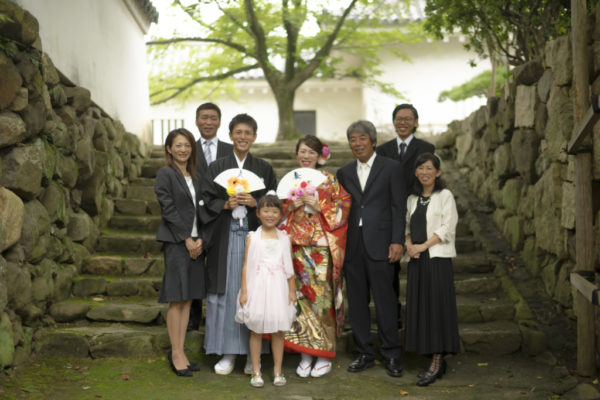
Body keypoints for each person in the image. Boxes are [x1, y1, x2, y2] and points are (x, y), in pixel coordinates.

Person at [199, 113, 277, 375]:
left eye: (248, 133)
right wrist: (224, 204)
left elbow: (275, 204)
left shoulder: (264, 168)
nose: (243, 137)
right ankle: (228, 351)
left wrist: (259, 204)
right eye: (238, 132)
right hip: (226, 235)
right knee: (227, 292)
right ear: (230, 135)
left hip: (255, 237)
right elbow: (205, 199)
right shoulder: (217, 167)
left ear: (255, 137)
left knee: (255, 293)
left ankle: (252, 355)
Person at [336, 120, 405, 378]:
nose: (357, 143)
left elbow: (399, 207)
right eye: (352, 139)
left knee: (386, 302)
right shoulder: (344, 172)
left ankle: (391, 354)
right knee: (357, 303)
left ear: (373, 141)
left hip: (382, 245)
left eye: (362, 138)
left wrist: (397, 240)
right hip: (353, 247)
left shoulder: (391, 168)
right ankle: (364, 353)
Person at [279, 135, 351, 378]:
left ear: (321, 156)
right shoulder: (291, 181)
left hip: (321, 248)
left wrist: (321, 207)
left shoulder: (329, 181)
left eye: (311, 152)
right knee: (299, 300)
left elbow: (344, 207)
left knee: (322, 300)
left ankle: (323, 353)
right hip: (296, 248)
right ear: (297, 153)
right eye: (302, 151)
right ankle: (304, 352)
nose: (306, 156)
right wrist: (291, 206)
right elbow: (275, 214)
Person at [376, 103, 434, 328]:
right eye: (399, 118)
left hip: (418, 211)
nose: (403, 122)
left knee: (419, 263)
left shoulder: (426, 147)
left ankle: (420, 313)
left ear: (416, 122)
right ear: (393, 122)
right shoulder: (382, 150)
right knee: (391, 266)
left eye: (408, 118)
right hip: (389, 214)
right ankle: (393, 314)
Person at [404, 152, 459, 387]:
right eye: (421, 168)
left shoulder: (445, 195)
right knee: (422, 308)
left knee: (437, 309)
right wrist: (409, 246)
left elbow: (448, 226)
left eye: (429, 168)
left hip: (437, 260)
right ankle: (430, 354)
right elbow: (406, 225)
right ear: (416, 172)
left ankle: (437, 362)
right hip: (417, 261)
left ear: (437, 172)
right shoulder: (412, 199)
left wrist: (423, 246)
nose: (425, 172)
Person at [154, 128, 205, 377]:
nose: (183, 149)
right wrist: (186, 238)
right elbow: (169, 209)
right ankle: (175, 353)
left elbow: (201, 212)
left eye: (187, 145)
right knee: (177, 298)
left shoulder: (194, 176)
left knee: (187, 298)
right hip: (177, 243)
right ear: (169, 148)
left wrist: (199, 239)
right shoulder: (166, 173)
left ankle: (181, 351)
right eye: (178, 145)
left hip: (195, 243)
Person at [236, 193, 297, 387]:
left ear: (280, 215)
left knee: (279, 331)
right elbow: (246, 265)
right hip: (258, 286)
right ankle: (256, 370)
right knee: (256, 330)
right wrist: (244, 290)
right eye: (266, 211)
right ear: (258, 214)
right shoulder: (252, 237)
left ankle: (278, 370)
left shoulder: (284, 238)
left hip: (278, 287)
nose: (270, 215)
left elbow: (289, 267)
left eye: (274, 211)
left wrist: (292, 291)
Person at [188, 102, 234, 331]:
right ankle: (193, 316)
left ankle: (221, 317)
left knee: (221, 268)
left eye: (213, 118)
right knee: (194, 266)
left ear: (219, 121)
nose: (208, 122)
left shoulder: (230, 150)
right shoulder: (188, 150)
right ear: (196, 121)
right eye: (204, 118)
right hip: (195, 216)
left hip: (222, 216)